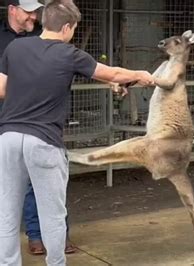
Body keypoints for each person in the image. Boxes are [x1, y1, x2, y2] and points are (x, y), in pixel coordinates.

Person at [0, 0, 155, 265]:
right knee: (53, 214)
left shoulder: (16, 47)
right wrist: (141, 74)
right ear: (67, 27)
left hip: (8, 138)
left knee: (7, 211)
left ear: (44, 20)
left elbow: (2, 89)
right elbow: (113, 73)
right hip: (44, 141)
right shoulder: (69, 53)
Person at [0, 0, 77, 255]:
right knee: (18, 199)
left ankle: (37, 236)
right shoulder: (12, 43)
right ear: (12, 9)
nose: (33, 16)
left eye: (37, 12)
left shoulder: (36, 39)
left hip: (23, 127)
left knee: (32, 191)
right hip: (17, 125)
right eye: (29, 11)